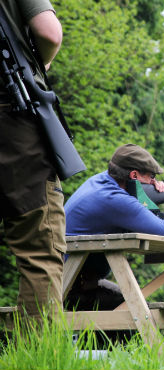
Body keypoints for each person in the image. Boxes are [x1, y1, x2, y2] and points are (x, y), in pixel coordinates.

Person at [64, 144, 164, 310]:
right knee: (139, 311)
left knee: (135, 304)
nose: (154, 181)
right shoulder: (114, 199)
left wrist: (148, 194)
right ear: (134, 175)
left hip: (74, 279)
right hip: (70, 287)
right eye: (151, 176)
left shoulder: (101, 181)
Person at [0, 0, 65, 317]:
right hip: (12, 118)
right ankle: (39, 359)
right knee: (38, 247)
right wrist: (42, 64)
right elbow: (49, 33)